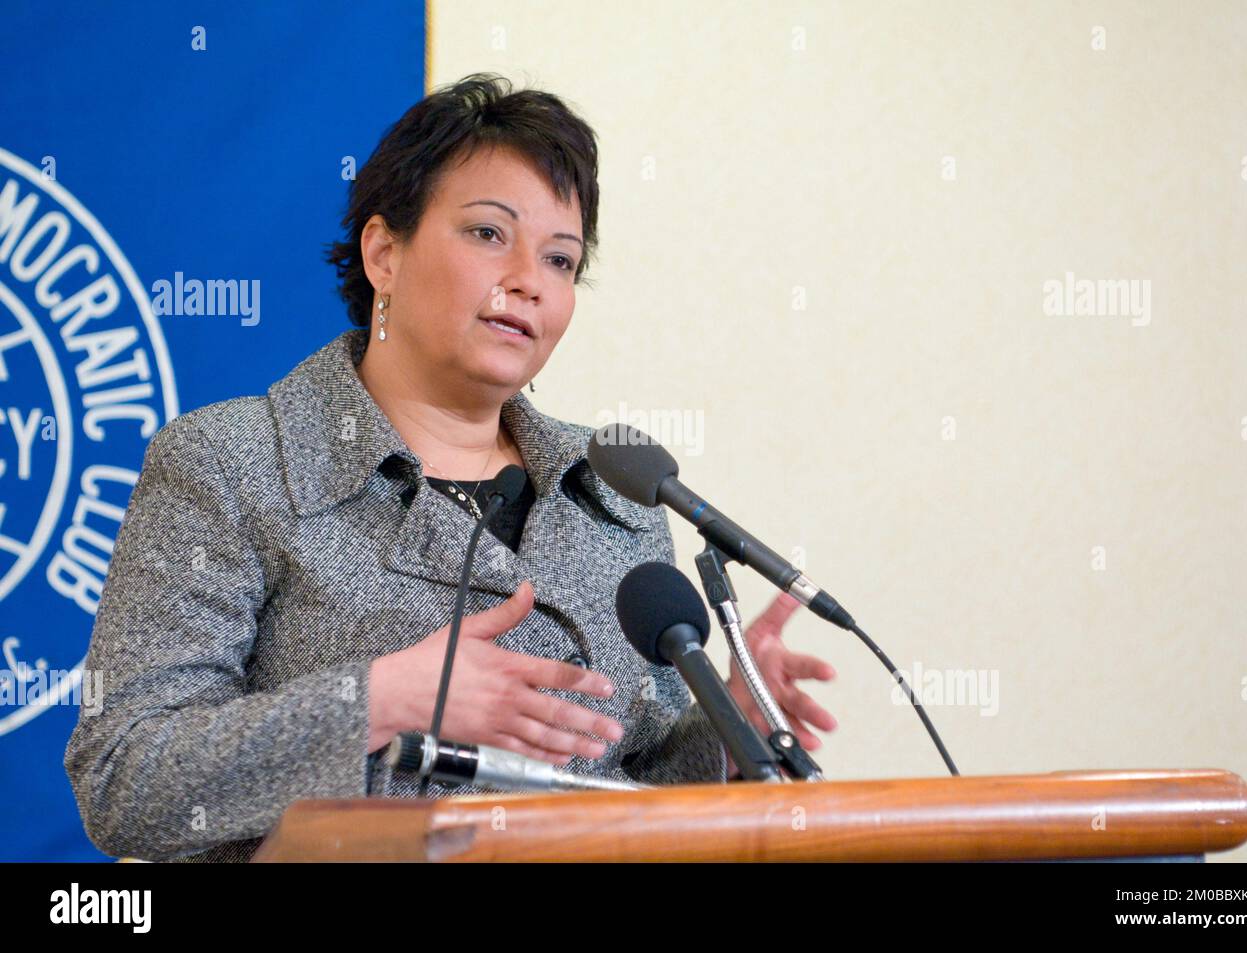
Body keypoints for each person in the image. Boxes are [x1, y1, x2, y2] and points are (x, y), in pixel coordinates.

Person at [64, 73, 836, 863]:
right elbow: (126, 777)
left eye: (562, 259)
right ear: (383, 252)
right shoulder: (229, 463)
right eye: (487, 234)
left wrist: (728, 733)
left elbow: (636, 790)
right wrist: (383, 700)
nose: (529, 280)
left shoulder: (614, 491)